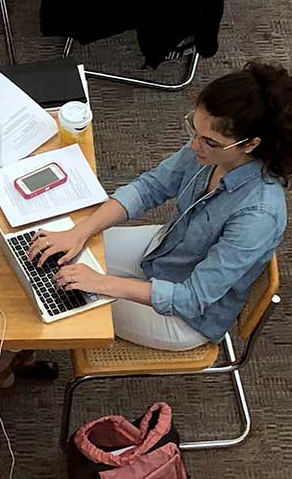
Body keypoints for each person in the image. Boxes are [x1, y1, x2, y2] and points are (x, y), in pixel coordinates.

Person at [28, 61, 290, 351]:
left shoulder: (258, 216)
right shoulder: (211, 152)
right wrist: (81, 231)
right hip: (163, 250)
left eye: (209, 141)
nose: (194, 146)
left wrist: (103, 283)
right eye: (194, 128)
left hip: (185, 317)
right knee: (48, 256)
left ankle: (1, 371)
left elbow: (191, 298)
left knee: (55, 300)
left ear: (249, 145)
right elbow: (150, 187)